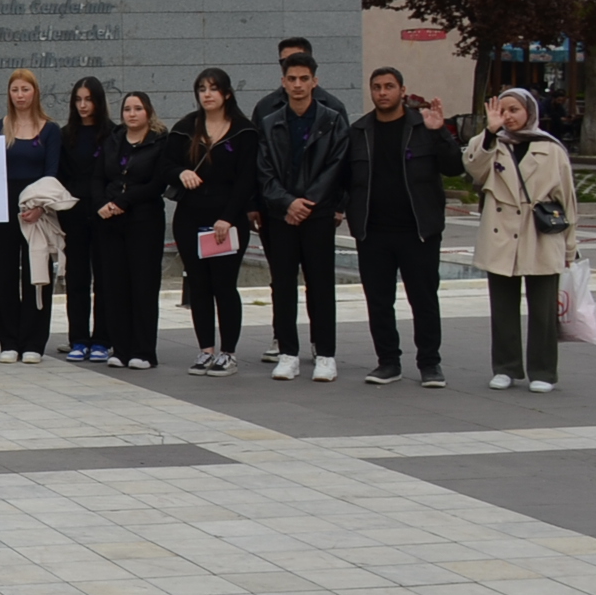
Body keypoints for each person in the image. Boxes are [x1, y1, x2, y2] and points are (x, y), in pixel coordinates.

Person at [346, 68, 461, 388]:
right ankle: (388, 362)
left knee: (423, 298)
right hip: (373, 231)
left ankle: (430, 364)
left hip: (418, 230)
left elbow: (454, 167)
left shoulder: (423, 126)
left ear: (402, 90)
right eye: (377, 87)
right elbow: (346, 179)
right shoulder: (359, 130)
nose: (383, 92)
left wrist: (440, 133)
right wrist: (343, 211)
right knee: (379, 300)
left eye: (389, 86)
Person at [465, 88, 579, 393]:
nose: (509, 116)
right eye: (503, 110)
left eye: (515, 109)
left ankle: (543, 370)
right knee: (502, 306)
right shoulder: (492, 144)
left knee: (543, 309)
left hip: (540, 232)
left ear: (529, 111)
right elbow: (473, 166)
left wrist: (570, 246)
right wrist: (489, 131)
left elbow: (567, 199)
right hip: (500, 233)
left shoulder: (550, 148)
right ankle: (505, 367)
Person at [256, 52, 348, 381]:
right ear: (283, 82)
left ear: (315, 81)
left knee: (320, 285)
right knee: (283, 285)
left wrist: (306, 203)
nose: (298, 85)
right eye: (291, 79)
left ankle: (325, 354)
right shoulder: (270, 122)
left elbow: (336, 168)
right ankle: (288, 353)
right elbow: (264, 174)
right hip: (281, 216)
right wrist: (287, 203)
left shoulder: (331, 120)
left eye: (303, 79)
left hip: (318, 215)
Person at [167, 69, 256, 377]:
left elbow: (246, 180)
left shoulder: (243, 131)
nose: (207, 94)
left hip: (225, 221)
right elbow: (166, 162)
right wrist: (181, 172)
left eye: (214, 89)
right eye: (202, 88)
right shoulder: (185, 128)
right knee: (199, 285)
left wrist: (228, 218)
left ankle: (228, 352)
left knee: (224, 285)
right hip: (191, 217)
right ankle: (205, 350)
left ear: (227, 94)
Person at [94, 91, 171, 370]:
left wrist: (123, 201)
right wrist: (103, 203)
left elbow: (157, 183)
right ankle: (121, 348)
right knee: (115, 286)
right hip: (111, 222)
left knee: (143, 286)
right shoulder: (113, 140)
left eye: (138, 108)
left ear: (148, 112)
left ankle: (143, 350)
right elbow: (99, 176)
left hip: (144, 220)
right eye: (127, 109)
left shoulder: (159, 142)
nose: (132, 113)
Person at [0, 70, 62, 362]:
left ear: (35, 93)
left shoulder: (50, 130)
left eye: (25, 89)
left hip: (36, 211)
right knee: (4, 274)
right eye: (15, 90)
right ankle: (8, 340)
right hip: (3, 209)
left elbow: (52, 172)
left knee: (36, 274)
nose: (20, 95)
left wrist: (41, 206)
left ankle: (33, 341)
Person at [56, 77, 114, 362]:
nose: (82, 105)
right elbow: (60, 177)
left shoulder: (113, 134)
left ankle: (103, 338)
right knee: (77, 279)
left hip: (105, 215)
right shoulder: (67, 135)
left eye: (88, 99)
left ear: (98, 102)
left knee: (105, 278)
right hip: (74, 215)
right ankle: (78, 338)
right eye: (78, 99)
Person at [248, 37, 348, 125]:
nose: (292, 64)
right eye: (285, 61)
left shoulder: (334, 107)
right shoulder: (265, 107)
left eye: (299, 59)